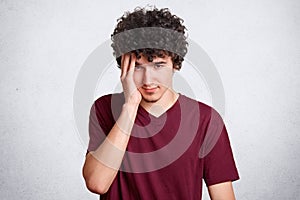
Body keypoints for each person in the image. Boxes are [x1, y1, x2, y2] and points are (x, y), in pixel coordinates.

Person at [82, 6, 239, 200]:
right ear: (124, 66)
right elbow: (97, 183)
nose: (148, 80)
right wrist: (130, 107)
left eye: (158, 65)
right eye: (138, 67)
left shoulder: (206, 120)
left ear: (175, 63)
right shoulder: (104, 109)